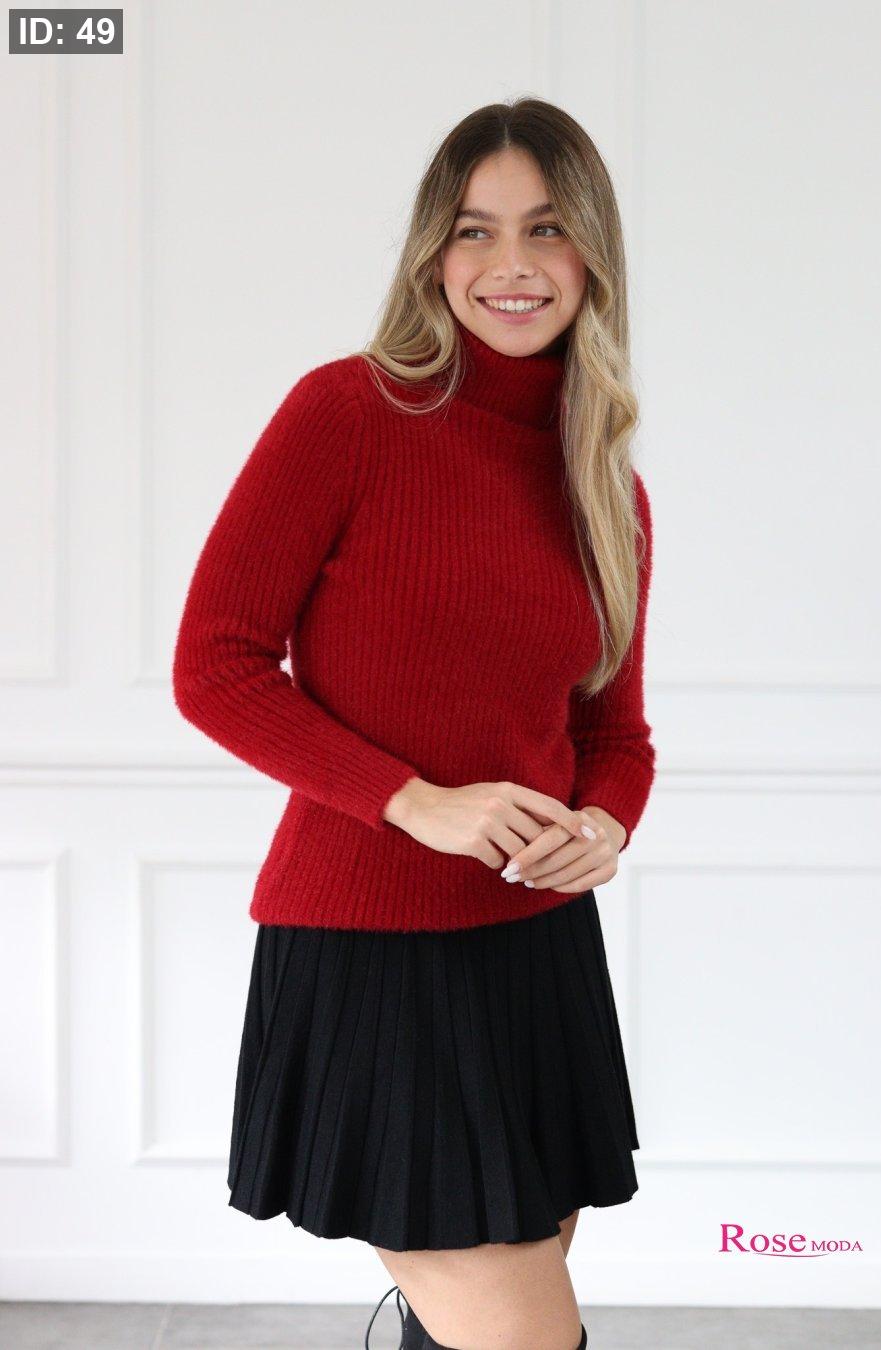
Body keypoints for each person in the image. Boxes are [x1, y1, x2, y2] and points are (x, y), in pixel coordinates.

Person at [172, 95, 655, 1350]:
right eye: (475, 229)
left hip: (535, 951)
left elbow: (615, 735)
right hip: (373, 946)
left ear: (591, 252)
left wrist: (605, 825)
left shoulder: (604, 483)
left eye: (546, 228)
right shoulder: (348, 413)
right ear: (433, 252)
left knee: (492, 1305)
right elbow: (215, 664)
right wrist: (417, 802)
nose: (510, 264)